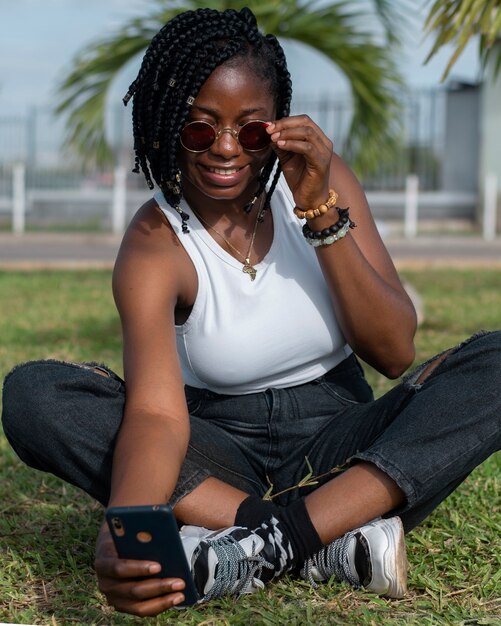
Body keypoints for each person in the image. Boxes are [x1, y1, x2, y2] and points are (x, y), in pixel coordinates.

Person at [2, 6, 500, 619]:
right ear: (165, 125)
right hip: (219, 458)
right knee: (35, 393)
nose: (227, 149)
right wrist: (128, 524)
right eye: (200, 129)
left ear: (279, 125)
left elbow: (394, 352)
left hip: (339, 448)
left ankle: (265, 545)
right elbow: (158, 414)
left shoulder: (322, 181)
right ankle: (321, 542)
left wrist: (320, 211)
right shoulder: (158, 241)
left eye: (252, 129)